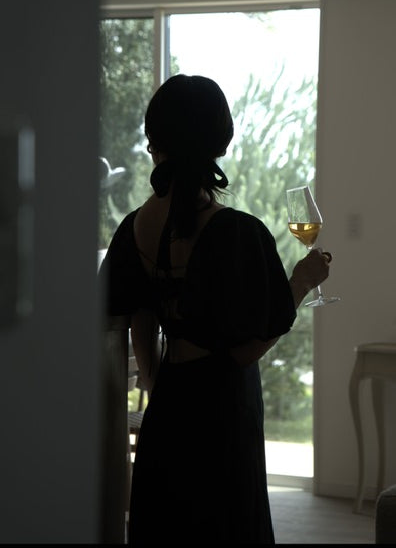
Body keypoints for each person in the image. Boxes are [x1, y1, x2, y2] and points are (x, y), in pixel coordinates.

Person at [99, 74, 331, 544]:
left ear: (156, 143)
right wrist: (302, 282)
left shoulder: (134, 228)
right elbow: (246, 350)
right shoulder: (236, 232)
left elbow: (137, 321)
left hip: (167, 414)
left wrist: (157, 384)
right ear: (219, 143)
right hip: (222, 419)